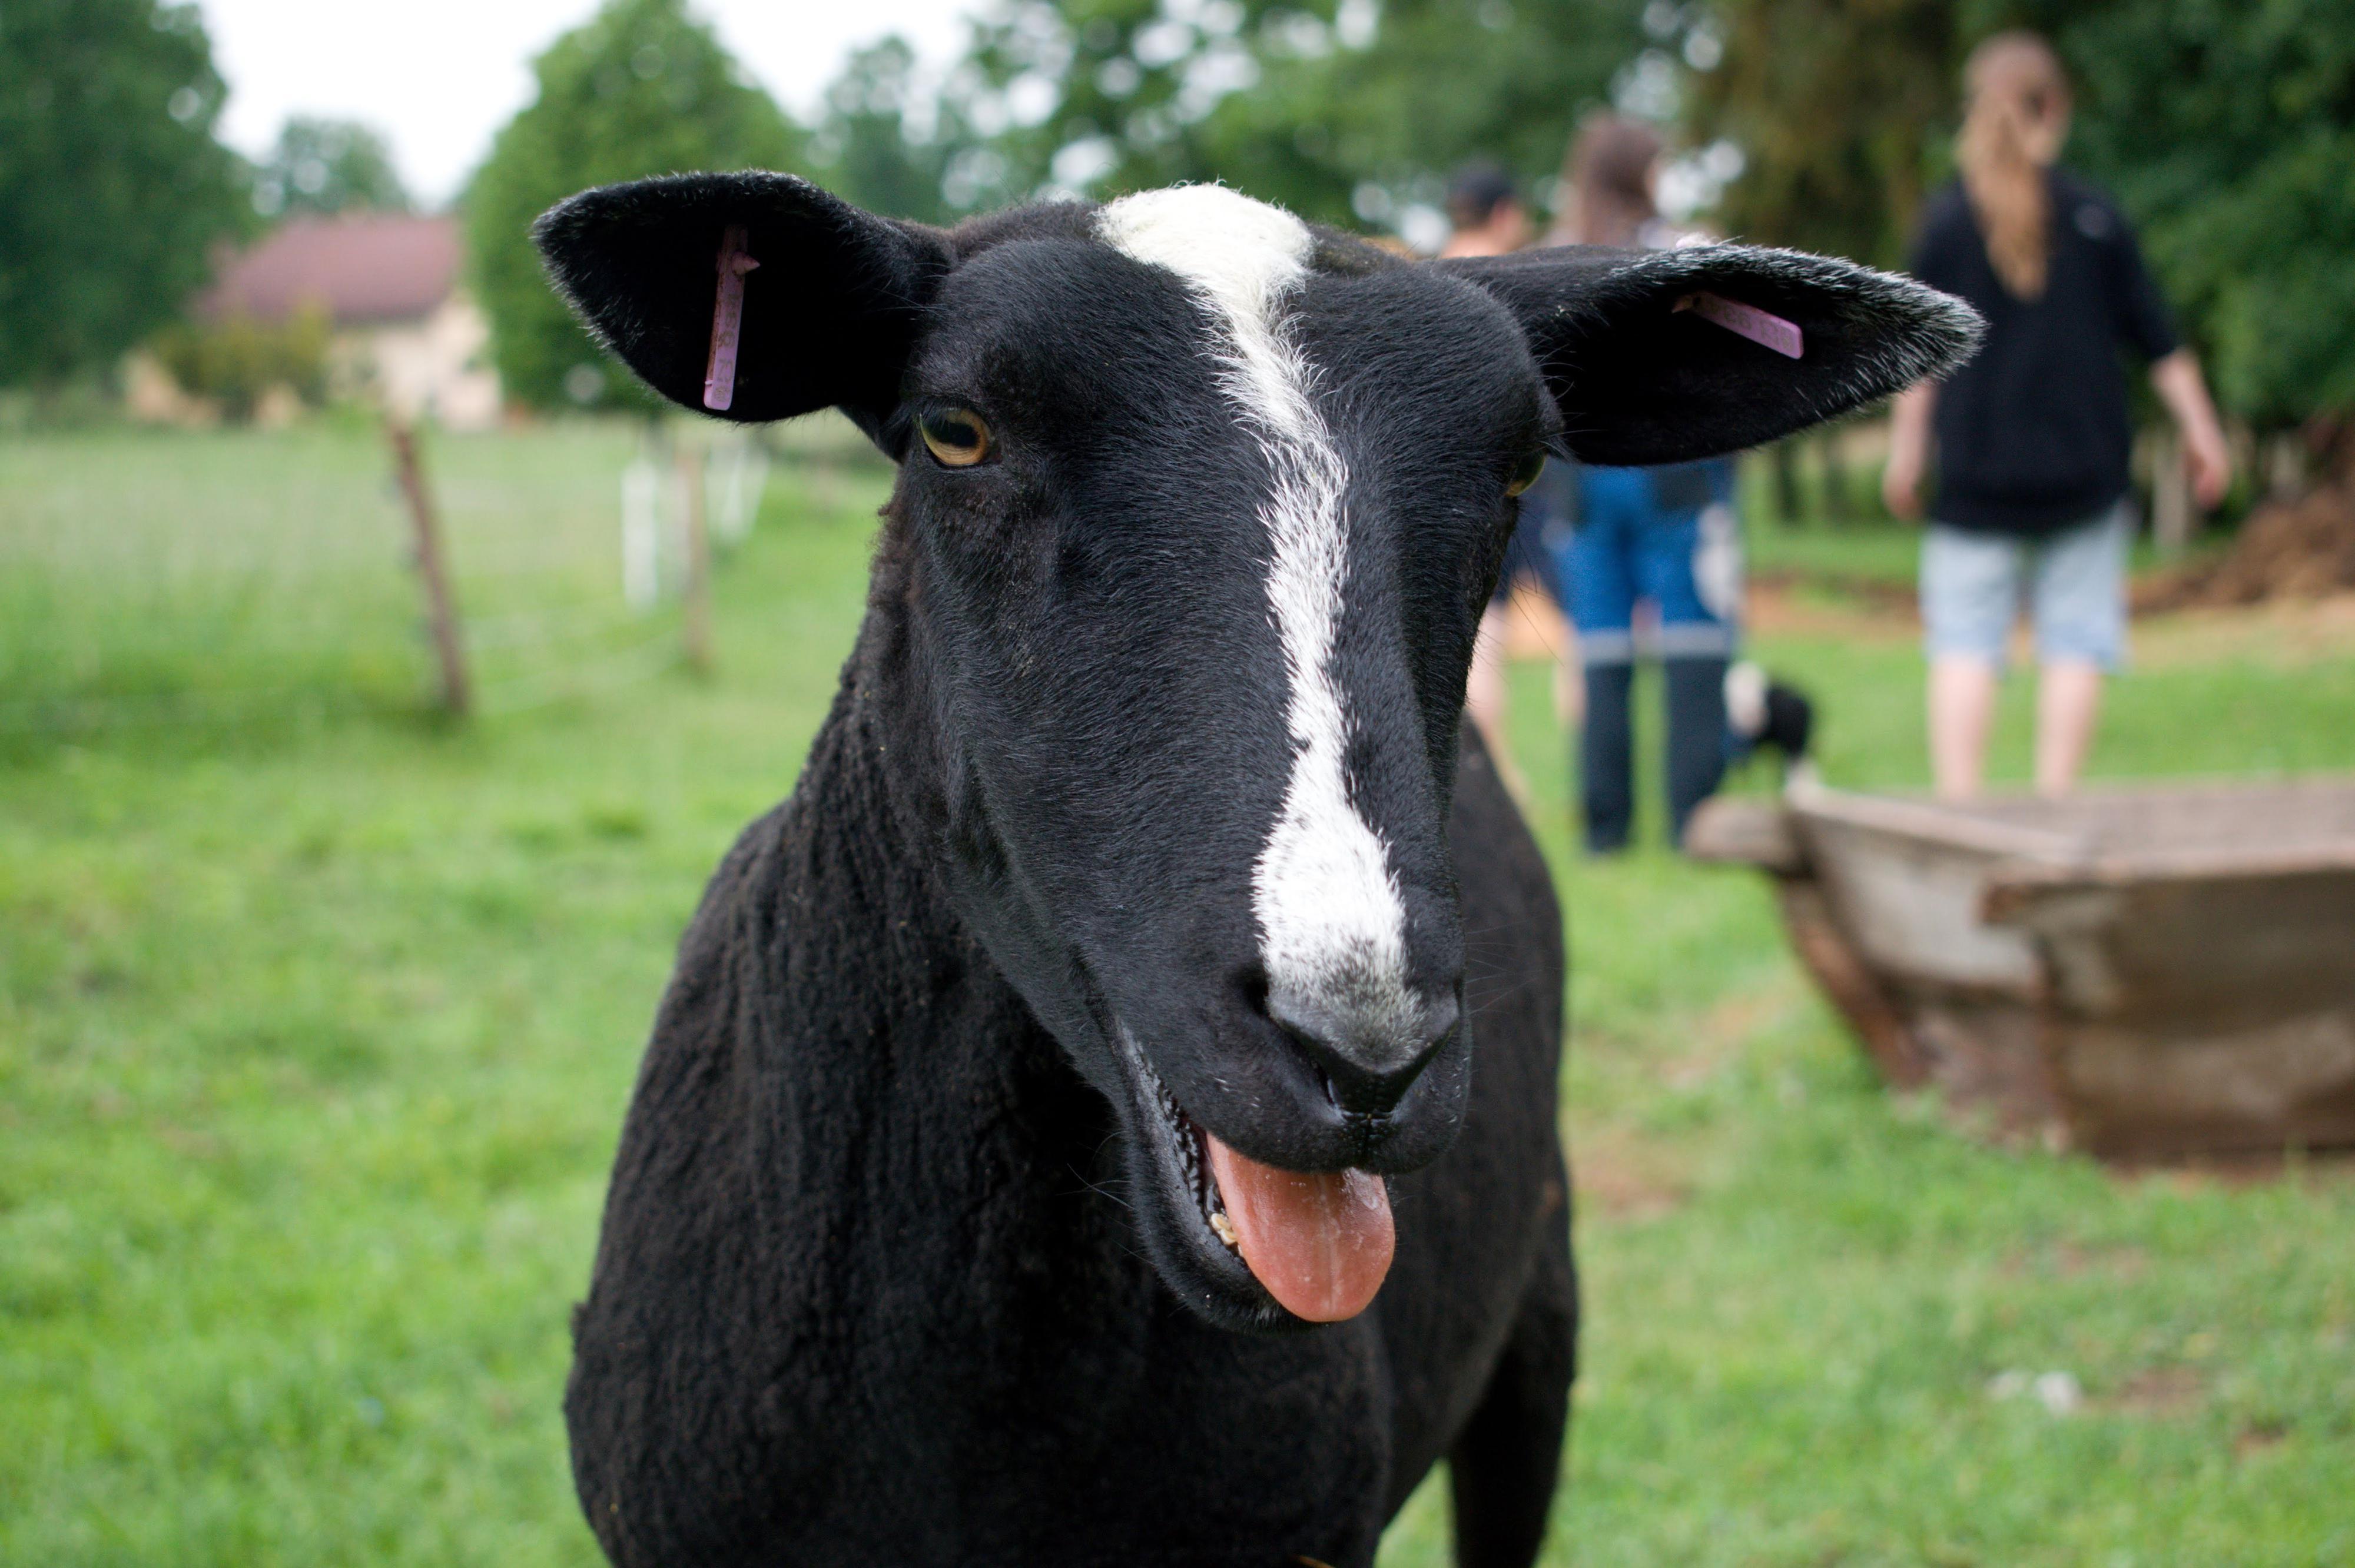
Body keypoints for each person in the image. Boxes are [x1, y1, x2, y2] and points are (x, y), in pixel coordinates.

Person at [1884, 31, 2230, 799]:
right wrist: (2205, 435)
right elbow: (2163, 344)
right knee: (2075, 639)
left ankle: (1963, 807)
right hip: (2086, 471)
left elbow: (1919, 368)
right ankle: (2054, 805)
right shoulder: (2096, 215)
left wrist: (1906, 456)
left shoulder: (1945, 223)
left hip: (1976, 477)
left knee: (1965, 644)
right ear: (2058, 110)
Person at [1546, 114, 1746, 853]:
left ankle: (1606, 831)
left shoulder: (1557, 257)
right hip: (1676, 478)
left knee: (1600, 649)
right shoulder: (1680, 254)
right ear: (1639, 172)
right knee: (1693, 637)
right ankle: (1695, 823)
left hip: (1584, 483)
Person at [1444, 161, 1570, 798]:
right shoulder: (1517, 286)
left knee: (1481, 633)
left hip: (1452, 486)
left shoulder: (1424, 282)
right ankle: (1585, 771)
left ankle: (1496, 778)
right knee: (1574, 628)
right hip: (1533, 480)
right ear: (1504, 214)